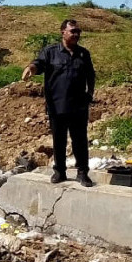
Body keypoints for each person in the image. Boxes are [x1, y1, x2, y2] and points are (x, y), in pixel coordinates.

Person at [22, 19, 95, 187]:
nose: (76, 34)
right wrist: (31, 67)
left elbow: (90, 75)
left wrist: (89, 94)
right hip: (57, 105)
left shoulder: (84, 54)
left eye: (78, 32)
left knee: (80, 141)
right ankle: (59, 171)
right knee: (59, 140)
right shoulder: (51, 52)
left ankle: (83, 173)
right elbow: (39, 64)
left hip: (79, 106)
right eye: (73, 31)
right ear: (63, 32)